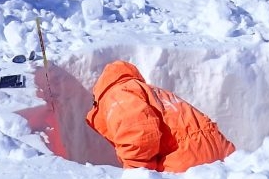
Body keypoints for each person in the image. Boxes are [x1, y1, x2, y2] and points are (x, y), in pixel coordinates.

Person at [86, 61, 235, 172]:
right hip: (219, 150)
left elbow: (138, 134)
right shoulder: (151, 91)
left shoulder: (117, 94)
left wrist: (137, 174)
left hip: (187, 156)